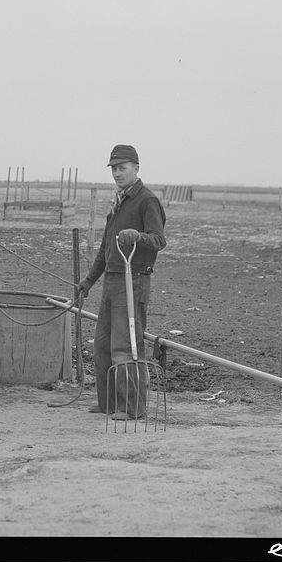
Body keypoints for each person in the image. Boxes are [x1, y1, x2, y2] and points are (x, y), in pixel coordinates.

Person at [77, 144, 167, 419]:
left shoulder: (146, 200)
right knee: (102, 346)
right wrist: (88, 282)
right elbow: (106, 250)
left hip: (134, 279)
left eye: (122, 168)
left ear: (136, 169)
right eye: (114, 169)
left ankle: (132, 407)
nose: (117, 173)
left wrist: (137, 237)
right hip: (112, 282)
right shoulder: (119, 202)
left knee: (126, 347)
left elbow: (159, 240)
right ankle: (108, 403)